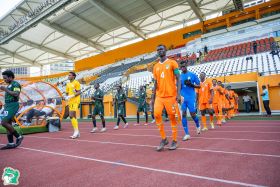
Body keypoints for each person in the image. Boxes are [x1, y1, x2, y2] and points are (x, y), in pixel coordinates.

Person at [152, 44, 181, 151]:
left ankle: (174, 140)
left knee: (172, 117)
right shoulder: (155, 67)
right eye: (158, 50)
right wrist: (152, 98)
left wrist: (178, 94)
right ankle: (164, 138)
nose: (159, 51)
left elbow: (178, 78)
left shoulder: (173, 63)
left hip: (171, 96)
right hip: (159, 96)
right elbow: (155, 83)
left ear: (166, 50)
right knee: (156, 114)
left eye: (161, 49)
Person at [0, 70, 23, 150]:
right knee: (8, 124)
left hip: (13, 105)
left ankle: (19, 136)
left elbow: (16, 94)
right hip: (8, 105)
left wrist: (5, 89)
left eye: (5, 78)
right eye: (3, 78)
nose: (4, 80)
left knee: (3, 122)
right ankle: (11, 143)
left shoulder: (15, 84)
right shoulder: (9, 85)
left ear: (10, 77)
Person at [180, 60, 201, 141]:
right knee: (184, 114)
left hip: (191, 97)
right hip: (183, 98)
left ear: (186, 66)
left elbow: (199, 86)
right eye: (181, 67)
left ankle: (198, 125)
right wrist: (178, 96)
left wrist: (192, 85)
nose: (183, 68)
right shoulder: (179, 76)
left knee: (193, 114)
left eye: (184, 66)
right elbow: (178, 88)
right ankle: (187, 134)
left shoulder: (192, 75)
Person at [65, 72, 81, 139]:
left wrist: (72, 95)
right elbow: (67, 93)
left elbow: (79, 92)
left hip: (75, 101)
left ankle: (76, 132)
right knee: (73, 116)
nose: (68, 76)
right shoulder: (68, 84)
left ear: (73, 76)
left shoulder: (76, 82)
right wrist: (66, 97)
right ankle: (77, 132)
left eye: (70, 75)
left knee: (71, 115)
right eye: (68, 75)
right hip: (70, 102)